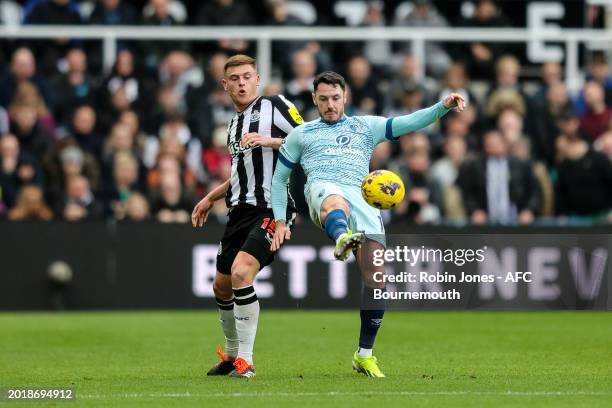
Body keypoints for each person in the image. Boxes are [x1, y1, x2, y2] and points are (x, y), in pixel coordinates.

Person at [270, 71, 465, 377]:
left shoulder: (365, 126)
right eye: (323, 99)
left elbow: (409, 122)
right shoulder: (302, 135)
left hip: (363, 198)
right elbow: (279, 180)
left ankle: (364, 354)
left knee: (376, 277)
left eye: (335, 98)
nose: (330, 104)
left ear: (345, 96)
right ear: (314, 100)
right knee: (335, 203)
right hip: (323, 189)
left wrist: (443, 106)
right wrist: (280, 220)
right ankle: (342, 236)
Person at [191, 55, 303, 379]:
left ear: (257, 79)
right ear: (224, 85)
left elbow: (309, 141)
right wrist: (211, 197)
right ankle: (229, 356)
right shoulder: (233, 125)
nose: (241, 83)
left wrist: (270, 140)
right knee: (221, 286)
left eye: (247, 77)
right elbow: (240, 172)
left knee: (241, 273)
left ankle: (246, 361)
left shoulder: (275, 105)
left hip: (272, 208)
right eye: (234, 79)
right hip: (239, 211)